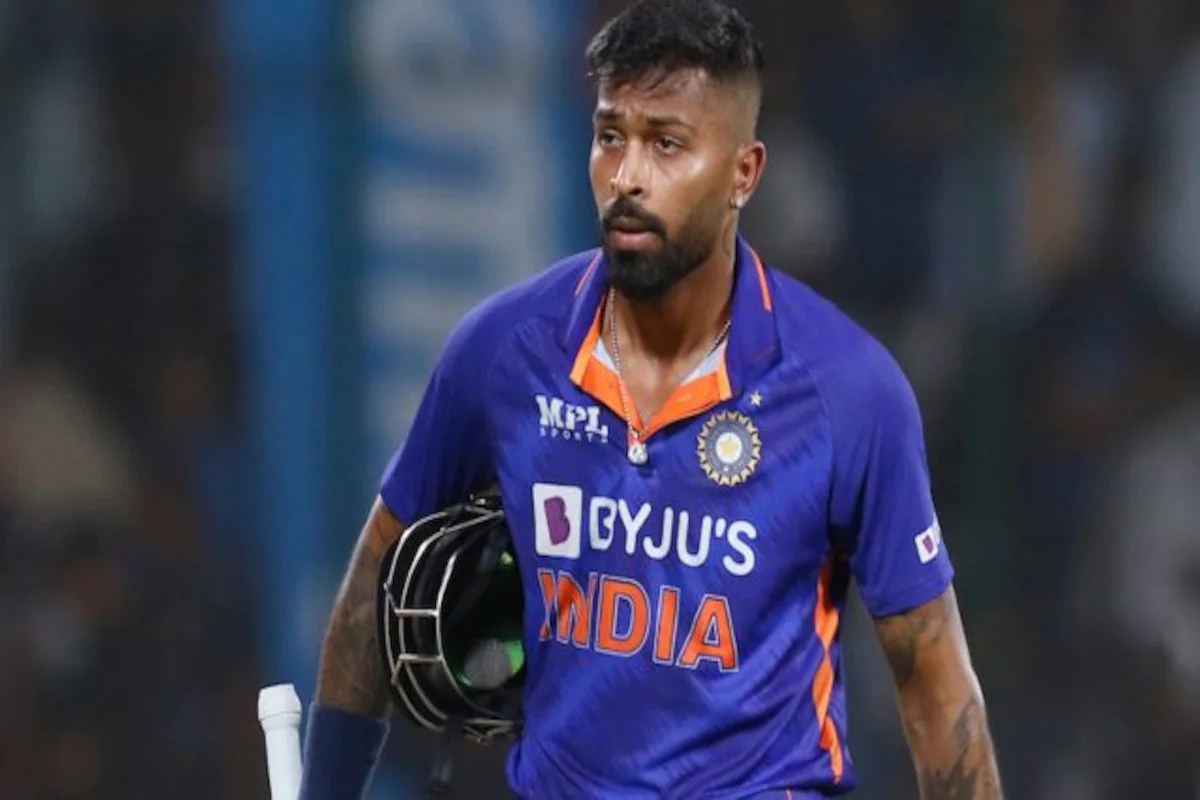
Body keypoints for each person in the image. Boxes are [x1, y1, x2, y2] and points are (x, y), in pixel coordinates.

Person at [299, 1, 1003, 797]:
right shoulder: (500, 352)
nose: (628, 177)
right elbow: (370, 592)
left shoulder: (850, 392)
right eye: (611, 136)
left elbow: (934, 685)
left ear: (743, 174)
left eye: (667, 143)